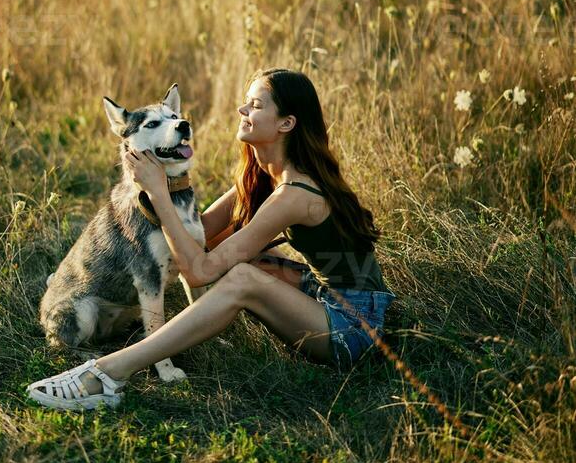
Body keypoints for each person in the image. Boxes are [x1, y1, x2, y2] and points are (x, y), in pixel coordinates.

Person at [26, 67, 396, 410]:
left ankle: (108, 373)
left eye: (255, 105)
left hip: (355, 327)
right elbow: (195, 235)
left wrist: (158, 194)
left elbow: (199, 269)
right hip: (322, 293)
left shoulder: (293, 193)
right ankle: (185, 330)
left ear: (286, 123)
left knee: (240, 276)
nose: (241, 109)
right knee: (238, 262)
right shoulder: (265, 176)